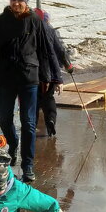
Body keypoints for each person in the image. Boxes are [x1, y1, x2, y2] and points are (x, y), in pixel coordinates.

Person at [0, 0, 55, 182]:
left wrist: (46, 76)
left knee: (28, 123)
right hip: (5, 78)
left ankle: (28, 164)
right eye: (13, 0)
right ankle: (13, 145)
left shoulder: (35, 21)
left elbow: (45, 50)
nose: (16, 3)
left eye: (19, 0)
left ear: (26, 1)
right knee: (4, 119)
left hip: (29, 77)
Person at [34, 9, 73, 139]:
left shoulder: (29, 30)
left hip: (32, 72)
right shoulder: (51, 31)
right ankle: (50, 119)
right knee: (48, 98)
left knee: (33, 100)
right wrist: (69, 66)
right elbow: (60, 51)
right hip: (49, 73)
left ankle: (31, 126)